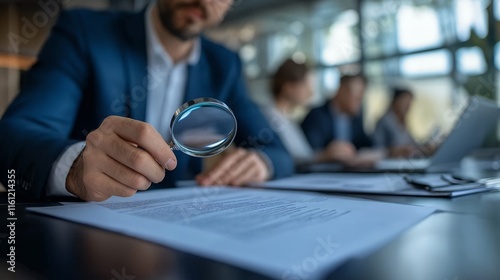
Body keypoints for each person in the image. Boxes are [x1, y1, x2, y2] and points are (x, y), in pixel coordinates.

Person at [0, 0, 293, 201]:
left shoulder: (225, 64)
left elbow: (276, 149)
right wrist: (75, 167)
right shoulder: (84, 31)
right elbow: (14, 136)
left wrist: (261, 163)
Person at [301, 74, 372, 163]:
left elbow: (365, 143)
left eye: (361, 97)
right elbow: (309, 152)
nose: (360, 101)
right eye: (357, 96)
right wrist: (327, 153)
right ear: (341, 91)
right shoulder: (317, 115)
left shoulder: (355, 117)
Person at [261, 58, 315, 162]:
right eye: (306, 85)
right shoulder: (270, 117)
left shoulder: (286, 118)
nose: (311, 92)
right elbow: (291, 158)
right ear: (289, 87)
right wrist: (323, 156)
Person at [373, 88, 419, 158]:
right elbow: (376, 148)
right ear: (396, 101)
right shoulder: (384, 122)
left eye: (409, 103)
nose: (408, 107)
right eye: (405, 102)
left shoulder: (403, 123)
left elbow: (412, 144)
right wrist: (393, 151)